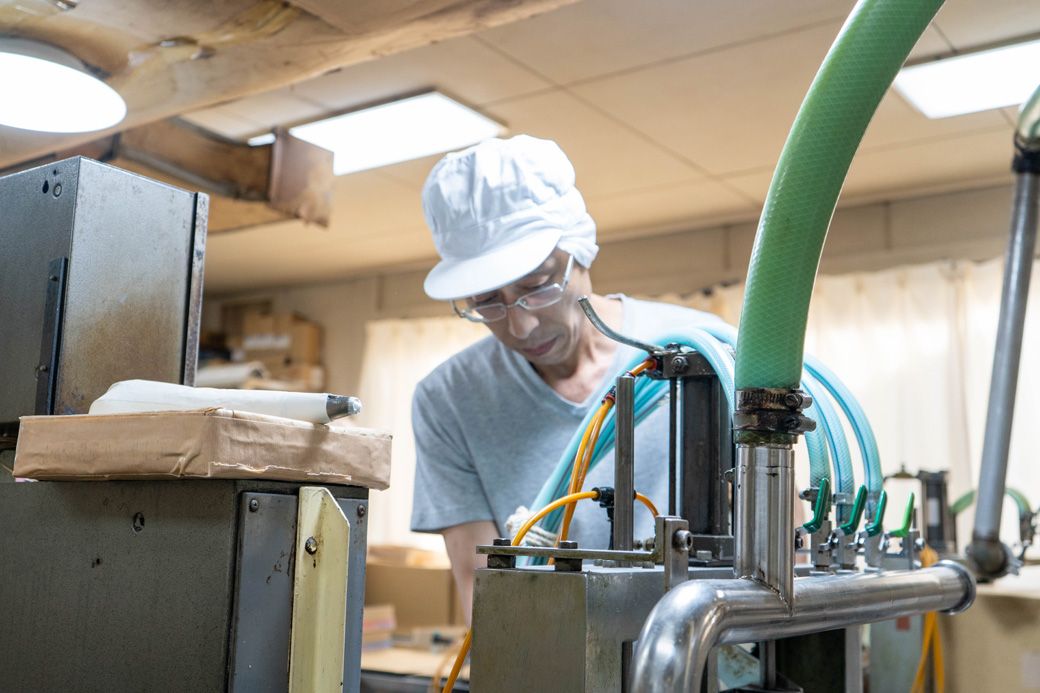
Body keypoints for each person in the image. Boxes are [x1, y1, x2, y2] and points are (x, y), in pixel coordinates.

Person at [409, 135, 721, 622]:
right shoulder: (448, 399)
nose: (521, 326)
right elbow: (482, 588)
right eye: (486, 303)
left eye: (537, 287)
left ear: (581, 250)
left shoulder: (702, 353)